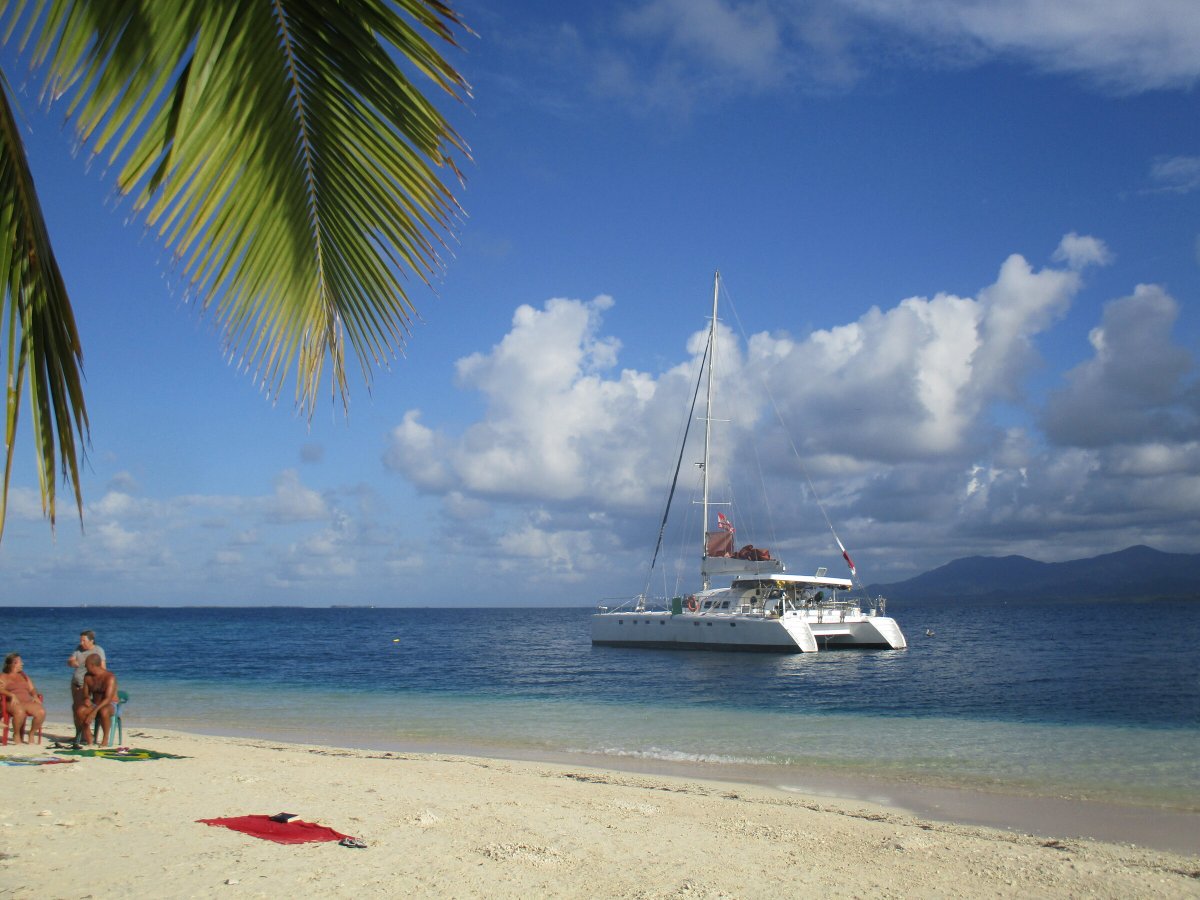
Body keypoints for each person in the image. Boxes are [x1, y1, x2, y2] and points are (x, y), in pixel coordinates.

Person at [1, 653, 47, 743]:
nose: (22, 664)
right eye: (20, 662)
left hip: (27, 701)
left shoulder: (23, 676)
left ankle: (31, 733)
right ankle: (16, 734)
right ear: (13, 663)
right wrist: (11, 695)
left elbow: (32, 688)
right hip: (13, 702)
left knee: (41, 712)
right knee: (19, 712)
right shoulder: (4, 676)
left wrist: (34, 695)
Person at [75, 654, 118, 746]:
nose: (85, 667)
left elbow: (108, 698)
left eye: (86, 665)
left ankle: (105, 738)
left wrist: (93, 712)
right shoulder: (87, 677)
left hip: (109, 704)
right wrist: (86, 698)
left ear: (92, 665)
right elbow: (86, 693)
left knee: (104, 711)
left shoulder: (109, 677)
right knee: (80, 711)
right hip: (95, 703)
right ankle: (89, 737)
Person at [67, 630, 105, 709]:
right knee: (76, 706)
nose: (81, 643)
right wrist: (72, 662)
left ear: (91, 641)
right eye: (80, 640)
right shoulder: (78, 648)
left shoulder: (98, 650)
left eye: (84, 641)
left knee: (83, 706)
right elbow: (69, 661)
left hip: (87, 685)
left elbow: (103, 669)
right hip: (75, 683)